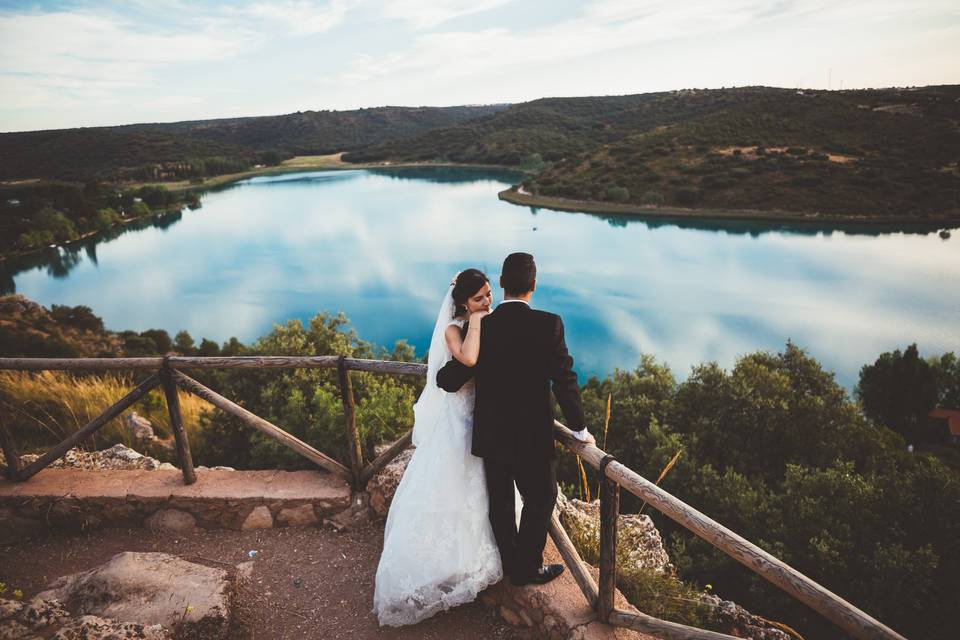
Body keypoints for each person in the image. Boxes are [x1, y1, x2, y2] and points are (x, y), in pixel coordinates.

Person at [438, 252, 594, 586]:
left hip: (491, 435)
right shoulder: (549, 324)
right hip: (532, 436)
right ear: (533, 285)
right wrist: (579, 428)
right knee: (542, 499)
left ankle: (511, 564)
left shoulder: (481, 326)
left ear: (503, 283)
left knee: (501, 505)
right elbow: (565, 380)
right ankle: (525, 568)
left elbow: (449, 380)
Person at [373, 268, 504, 626]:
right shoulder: (453, 329)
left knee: (474, 489)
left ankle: (466, 561)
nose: (487, 301)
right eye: (479, 298)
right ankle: (433, 567)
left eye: (489, 294)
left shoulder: (489, 320)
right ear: (463, 302)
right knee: (445, 486)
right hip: (456, 421)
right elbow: (470, 360)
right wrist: (477, 320)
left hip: (479, 417)